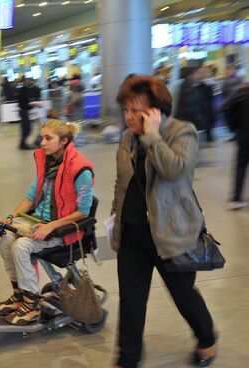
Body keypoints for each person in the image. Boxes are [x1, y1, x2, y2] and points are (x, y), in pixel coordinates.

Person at [111, 75, 217, 368]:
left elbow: (175, 170)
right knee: (131, 301)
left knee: (183, 295)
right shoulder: (126, 137)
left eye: (137, 110)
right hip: (133, 232)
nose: (129, 117)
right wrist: (115, 220)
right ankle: (127, 359)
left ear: (156, 110)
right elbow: (122, 183)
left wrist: (153, 135)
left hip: (171, 234)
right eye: (126, 110)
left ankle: (206, 338)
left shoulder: (183, 132)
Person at [0, 119, 94, 325]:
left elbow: (83, 211)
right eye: (41, 138)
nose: (42, 142)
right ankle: (20, 295)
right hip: (40, 223)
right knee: (4, 234)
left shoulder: (80, 169)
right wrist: (9, 219)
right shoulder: (48, 163)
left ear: (64, 141)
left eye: (48, 138)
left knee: (21, 246)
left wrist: (52, 225)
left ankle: (32, 306)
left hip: (63, 231)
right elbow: (30, 198)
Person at [222, 83, 249, 211]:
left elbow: (224, 108)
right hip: (244, 133)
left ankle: (236, 198)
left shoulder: (240, 92)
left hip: (243, 134)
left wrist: (234, 127)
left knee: (241, 167)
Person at [175, 66, 215, 143]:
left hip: (185, 123)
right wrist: (201, 120)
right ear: (189, 76)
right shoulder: (188, 88)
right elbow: (191, 108)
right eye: (194, 74)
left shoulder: (184, 87)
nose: (196, 76)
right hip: (188, 123)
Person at [17, 78, 41, 150]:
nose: (29, 82)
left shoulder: (28, 89)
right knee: (26, 129)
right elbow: (22, 103)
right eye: (28, 81)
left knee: (28, 129)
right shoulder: (22, 90)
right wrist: (31, 105)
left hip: (26, 111)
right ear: (24, 82)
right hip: (23, 111)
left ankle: (23, 143)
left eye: (30, 81)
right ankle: (22, 144)